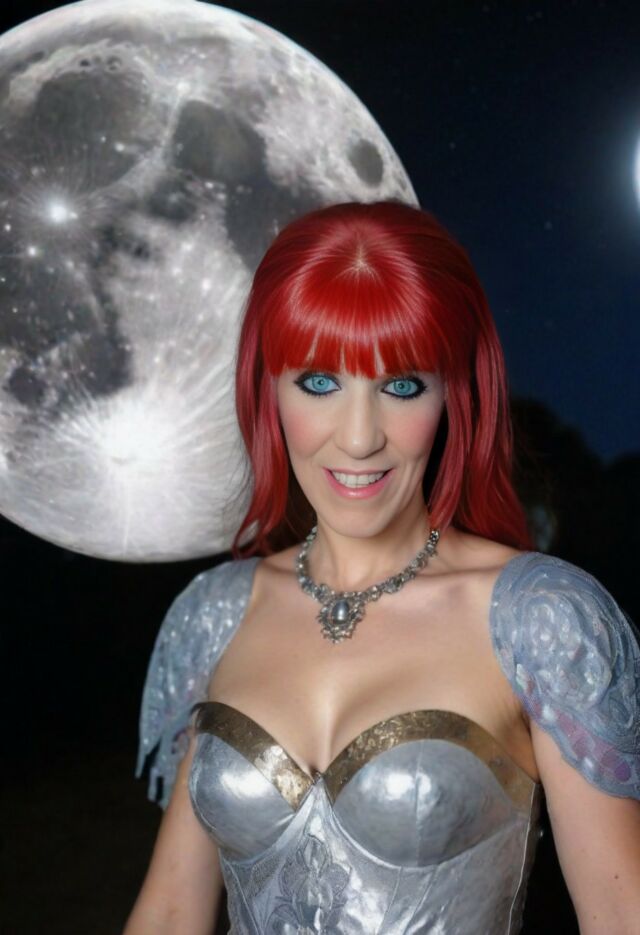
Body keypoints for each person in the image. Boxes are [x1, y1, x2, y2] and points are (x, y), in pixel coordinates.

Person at [124, 202, 640, 935]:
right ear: (267, 388)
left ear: (454, 394)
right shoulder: (216, 612)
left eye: (401, 386)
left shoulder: (541, 619)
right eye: (318, 382)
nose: (360, 437)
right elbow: (171, 911)